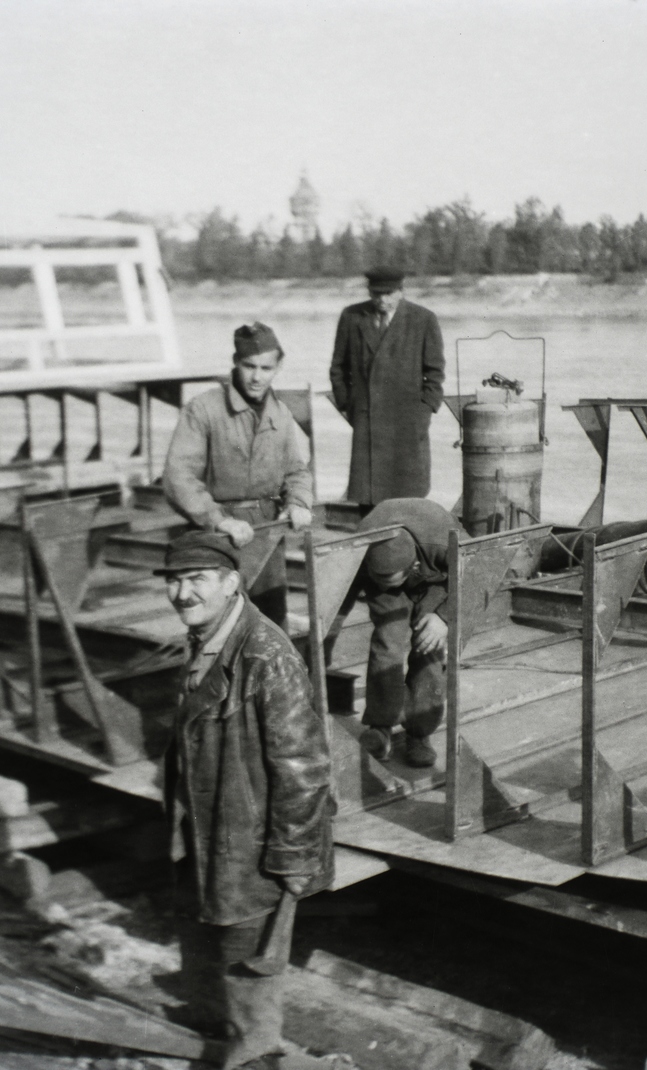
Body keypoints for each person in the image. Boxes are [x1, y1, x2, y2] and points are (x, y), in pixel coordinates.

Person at [158, 531, 333, 1070]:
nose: (183, 593)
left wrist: (292, 857)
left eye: (197, 580)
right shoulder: (210, 636)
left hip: (251, 834)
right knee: (207, 923)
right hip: (213, 821)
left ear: (231, 584)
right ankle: (219, 1021)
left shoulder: (265, 654)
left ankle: (252, 1055)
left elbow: (304, 769)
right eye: (174, 580)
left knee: (249, 950)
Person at [164, 322, 315, 628]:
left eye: (266, 368)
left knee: (271, 618)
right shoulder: (203, 409)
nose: (257, 377)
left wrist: (298, 502)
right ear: (236, 362)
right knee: (220, 622)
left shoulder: (280, 413)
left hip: (267, 526)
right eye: (249, 366)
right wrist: (219, 520)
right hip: (218, 531)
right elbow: (179, 477)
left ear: (278, 367)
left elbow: (296, 470)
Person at [354, 497, 460, 768]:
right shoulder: (362, 545)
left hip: (437, 579)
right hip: (385, 572)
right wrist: (323, 644)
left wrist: (443, 618)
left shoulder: (444, 541)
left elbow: (480, 572)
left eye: (391, 580)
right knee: (387, 641)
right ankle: (381, 726)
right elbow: (339, 597)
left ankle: (419, 732)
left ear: (411, 568)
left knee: (428, 646)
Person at [328, 267, 446, 510]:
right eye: (376, 293)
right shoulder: (352, 317)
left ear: (401, 291)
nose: (382, 300)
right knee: (368, 500)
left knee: (409, 498)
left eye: (389, 294)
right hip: (366, 422)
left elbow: (434, 374)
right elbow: (338, 368)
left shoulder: (423, 319)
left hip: (407, 424)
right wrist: (349, 406)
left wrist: (422, 413)